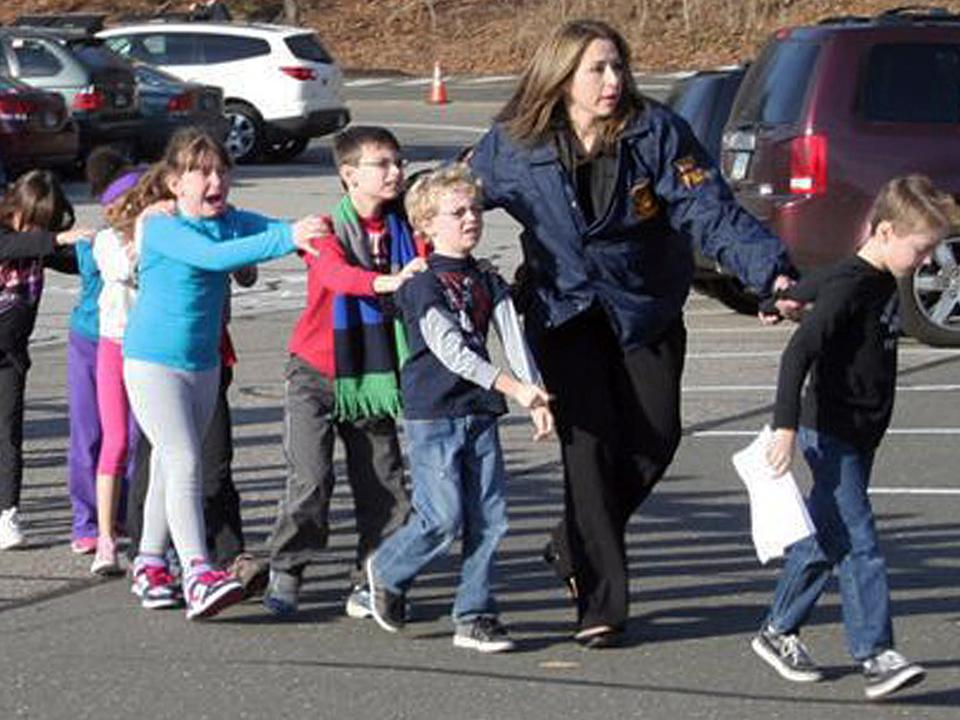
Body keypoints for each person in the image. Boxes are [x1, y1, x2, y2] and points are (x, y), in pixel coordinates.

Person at [469, 19, 797, 647]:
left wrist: (771, 275)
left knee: (655, 438)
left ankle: (573, 543)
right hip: (561, 312)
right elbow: (450, 199)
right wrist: (393, 238)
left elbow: (712, 212)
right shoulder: (514, 144)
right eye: (598, 69)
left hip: (643, 306)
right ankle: (599, 602)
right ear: (562, 77)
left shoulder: (656, 133)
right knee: (588, 454)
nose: (613, 81)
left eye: (618, 66)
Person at [752, 175, 960, 701]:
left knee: (827, 537)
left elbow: (816, 283)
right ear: (887, 231)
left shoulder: (870, 275)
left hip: (861, 432)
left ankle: (778, 632)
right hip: (831, 432)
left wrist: (782, 300)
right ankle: (876, 654)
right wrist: (784, 427)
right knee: (860, 542)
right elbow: (799, 353)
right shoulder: (855, 283)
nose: (926, 260)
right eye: (921, 248)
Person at [123, 128, 325, 619]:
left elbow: (265, 230)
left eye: (221, 171)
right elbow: (215, 257)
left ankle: (150, 562)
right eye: (201, 172)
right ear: (174, 182)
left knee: (173, 467)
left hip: (203, 362)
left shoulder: (229, 220)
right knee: (185, 459)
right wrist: (288, 236)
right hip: (152, 361)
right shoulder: (164, 227)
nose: (215, 180)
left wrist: (313, 228)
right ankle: (198, 572)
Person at [366, 164, 554, 653]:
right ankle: (386, 570)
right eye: (457, 212)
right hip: (434, 412)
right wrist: (514, 387)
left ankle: (475, 615)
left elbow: (511, 335)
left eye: (474, 209)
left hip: (480, 410)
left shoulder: (487, 278)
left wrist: (535, 392)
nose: (471, 218)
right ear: (426, 225)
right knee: (443, 518)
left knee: (490, 518)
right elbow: (449, 348)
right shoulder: (421, 284)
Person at [262, 126, 420, 618]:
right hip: (316, 370)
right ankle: (288, 567)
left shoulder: (408, 228)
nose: (395, 172)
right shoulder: (324, 229)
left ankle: (374, 575)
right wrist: (388, 280)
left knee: (383, 482)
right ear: (349, 175)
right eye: (382, 164)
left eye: (399, 162)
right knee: (310, 480)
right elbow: (334, 276)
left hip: (373, 376)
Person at [0, 172, 89, 549]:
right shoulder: (9, 235)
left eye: (45, 224)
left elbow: (73, 259)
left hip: (10, 356)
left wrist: (103, 248)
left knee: (7, 433)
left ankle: (7, 513)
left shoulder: (40, 245)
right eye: (31, 219)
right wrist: (53, 238)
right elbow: (11, 246)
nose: (35, 230)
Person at [89, 163, 165, 575]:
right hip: (115, 345)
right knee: (116, 441)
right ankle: (105, 538)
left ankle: (153, 535)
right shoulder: (106, 240)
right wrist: (143, 241)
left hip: (151, 347)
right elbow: (123, 270)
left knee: (151, 441)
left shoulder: (160, 234)